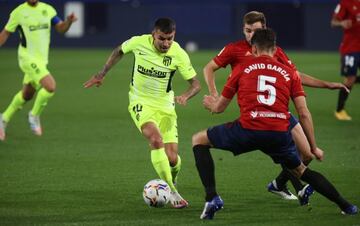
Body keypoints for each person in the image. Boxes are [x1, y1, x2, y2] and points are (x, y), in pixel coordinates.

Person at [193, 28, 358, 220]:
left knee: (199, 140)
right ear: (275, 49)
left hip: (248, 129)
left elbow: (220, 108)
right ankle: (346, 206)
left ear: (254, 49)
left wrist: (210, 104)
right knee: (302, 171)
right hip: (279, 133)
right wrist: (313, 147)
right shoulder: (290, 73)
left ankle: (212, 197)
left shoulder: (242, 69)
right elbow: (303, 113)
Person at [83, 17, 201, 208]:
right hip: (140, 102)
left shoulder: (179, 53)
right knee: (155, 140)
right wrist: (101, 74)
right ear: (153, 34)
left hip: (165, 107)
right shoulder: (139, 42)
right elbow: (119, 50)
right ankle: (172, 191)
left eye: (170, 38)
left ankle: (173, 177)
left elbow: (196, 84)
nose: (166, 43)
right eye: (162, 38)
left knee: (172, 159)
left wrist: (186, 96)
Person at [0, 0, 77, 141]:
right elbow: (5, 33)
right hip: (26, 58)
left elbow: (60, 28)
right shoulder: (18, 12)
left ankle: (3, 118)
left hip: (41, 60)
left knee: (27, 95)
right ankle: (34, 115)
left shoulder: (47, 10)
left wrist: (69, 22)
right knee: (50, 86)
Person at [331, 0, 360, 121]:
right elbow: (333, 22)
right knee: (350, 80)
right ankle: (339, 110)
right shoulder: (346, 2)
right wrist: (341, 23)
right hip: (351, 48)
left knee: (351, 79)